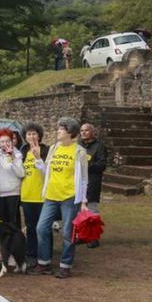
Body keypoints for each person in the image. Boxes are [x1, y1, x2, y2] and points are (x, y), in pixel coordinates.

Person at [32, 118, 89, 279]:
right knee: (41, 228)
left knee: (67, 232)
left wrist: (83, 201)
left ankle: (65, 266)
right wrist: (37, 159)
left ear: (70, 133)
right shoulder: (53, 148)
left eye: (61, 129)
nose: (57, 131)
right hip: (51, 195)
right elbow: (46, 172)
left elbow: (84, 179)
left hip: (69, 197)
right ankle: (43, 263)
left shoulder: (79, 152)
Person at [20, 124, 49, 263]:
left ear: (39, 135)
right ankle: (31, 255)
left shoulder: (46, 150)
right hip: (27, 195)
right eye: (28, 134)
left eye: (34, 134)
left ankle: (45, 255)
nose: (31, 137)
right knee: (30, 227)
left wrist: (38, 158)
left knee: (43, 228)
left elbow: (47, 173)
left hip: (42, 196)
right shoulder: (23, 151)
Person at [0, 128, 26, 238]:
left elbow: (21, 173)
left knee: (13, 223)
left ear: (12, 141)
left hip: (12, 194)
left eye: (7, 141)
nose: (5, 144)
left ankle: (16, 248)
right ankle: (4, 248)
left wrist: (13, 158)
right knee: (1, 222)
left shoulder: (17, 155)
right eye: (2, 141)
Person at [80, 123, 108, 219]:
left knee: (91, 212)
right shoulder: (78, 146)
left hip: (92, 183)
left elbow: (102, 165)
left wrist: (87, 165)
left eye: (86, 130)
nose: (83, 132)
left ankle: (92, 232)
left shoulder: (99, 146)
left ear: (92, 132)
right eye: (82, 131)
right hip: (78, 184)